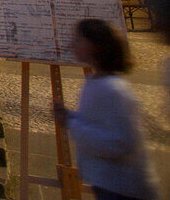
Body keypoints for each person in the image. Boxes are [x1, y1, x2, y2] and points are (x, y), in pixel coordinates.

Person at [51, 19, 158, 200]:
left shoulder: (113, 89)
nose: (71, 44)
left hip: (124, 187)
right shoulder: (95, 82)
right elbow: (96, 123)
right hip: (107, 183)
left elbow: (120, 142)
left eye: (78, 40)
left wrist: (71, 123)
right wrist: (69, 116)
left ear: (95, 46)